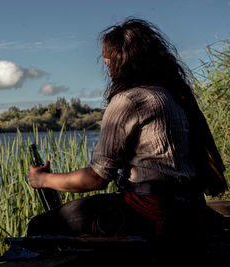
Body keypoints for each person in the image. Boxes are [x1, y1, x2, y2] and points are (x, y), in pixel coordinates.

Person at [27, 18, 227, 263]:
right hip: (188, 209)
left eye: (109, 59)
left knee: (40, 227)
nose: (107, 68)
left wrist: (43, 179)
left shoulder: (130, 100)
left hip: (152, 211)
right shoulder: (173, 95)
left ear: (125, 61)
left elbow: (97, 178)